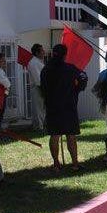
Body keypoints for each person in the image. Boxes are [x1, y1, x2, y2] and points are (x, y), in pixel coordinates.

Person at [40, 44, 88, 172]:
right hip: (68, 105)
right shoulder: (70, 68)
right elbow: (83, 77)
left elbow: (42, 87)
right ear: (65, 55)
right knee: (71, 135)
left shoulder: (45, 70)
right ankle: (75, 164)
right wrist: (77, 89)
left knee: (54, 135)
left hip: (52, 106)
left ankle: (56, 164)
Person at [27, 44, 46, 131]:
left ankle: (41, 125)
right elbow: (38, 79)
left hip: (42, 87)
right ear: (37, 53)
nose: (44, 52)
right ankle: (39, 127)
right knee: (38, 108)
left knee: (42, 108)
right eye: (42, 51)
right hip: (38, 87)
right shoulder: (33, 63)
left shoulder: (38, 61)